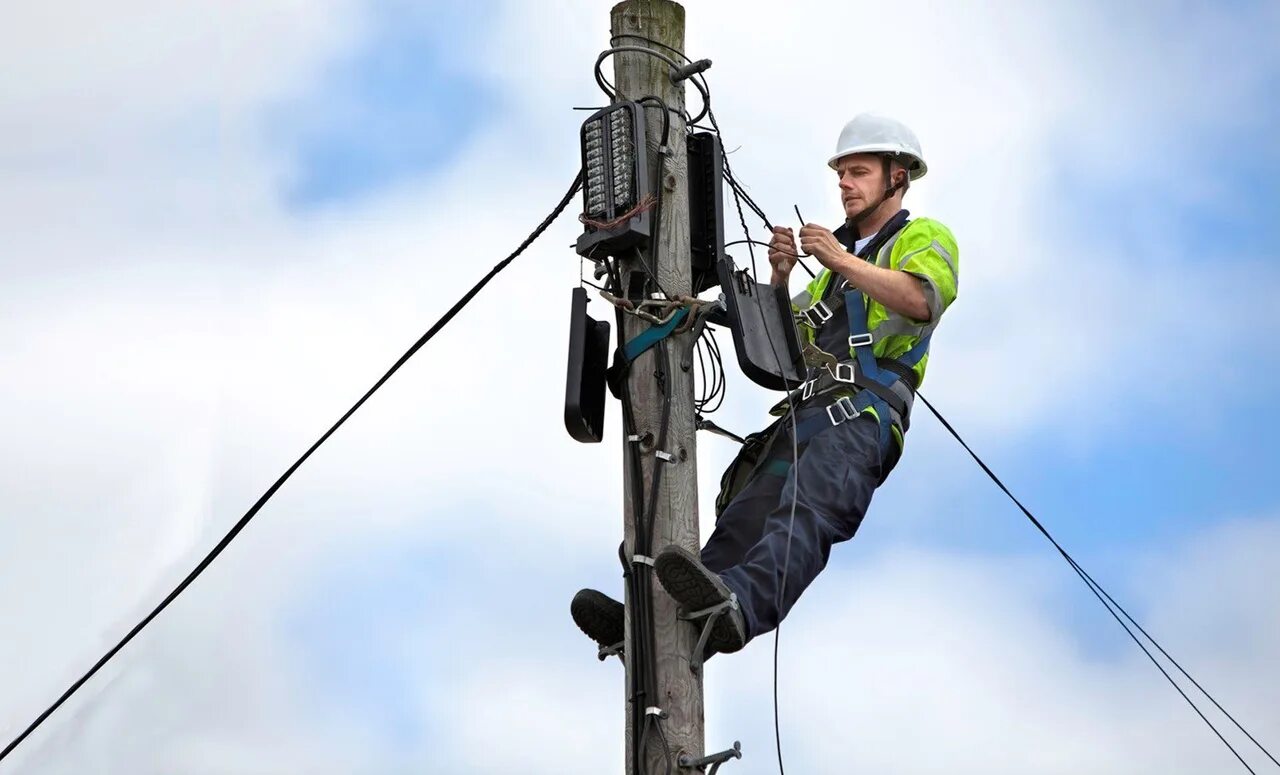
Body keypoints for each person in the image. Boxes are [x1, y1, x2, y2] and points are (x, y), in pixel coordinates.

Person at [572, 113, 959, 659]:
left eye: (860, 172)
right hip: (806, 416)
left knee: (802, 518)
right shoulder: (830, 272)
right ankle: (652, 628)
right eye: (842, 173)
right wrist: (780, 279)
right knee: (741, 522)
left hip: (861, 422)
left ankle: (741, 609)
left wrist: (840, 258)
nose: (845, 183)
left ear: (898, 178)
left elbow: (922, 299)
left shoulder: (921, 238)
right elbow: (785, 353)